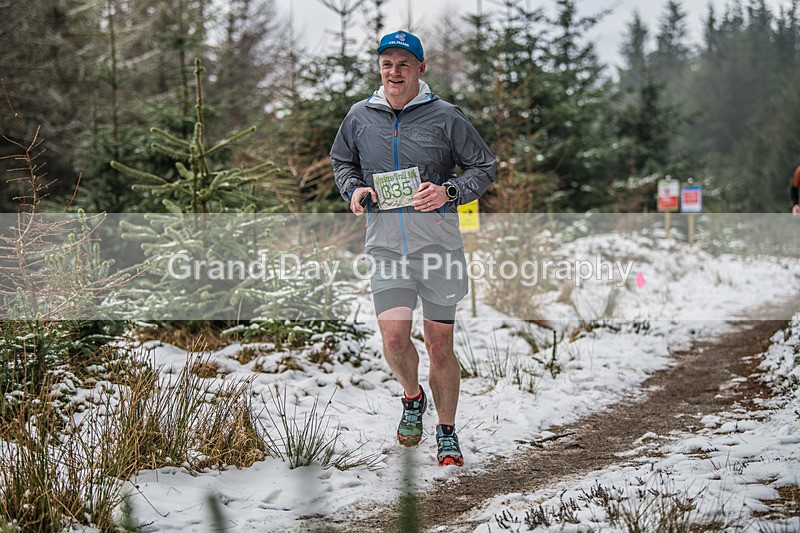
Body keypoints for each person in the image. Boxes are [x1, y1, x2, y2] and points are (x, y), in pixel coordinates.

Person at [330, 30, 496, 466]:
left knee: (440, 345)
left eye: (404, 63)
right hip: (385, 246)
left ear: (420, 69)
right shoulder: (360, 116)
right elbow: (342, 161)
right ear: (379, 68)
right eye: (387, 63)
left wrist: (450, 191)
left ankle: (446, 432)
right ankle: (412, 396)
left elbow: (484, 166)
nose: (394, 71)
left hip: (438, 248)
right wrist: (354, 189)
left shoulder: (446, 116)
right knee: (394, 337)